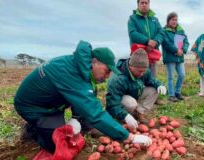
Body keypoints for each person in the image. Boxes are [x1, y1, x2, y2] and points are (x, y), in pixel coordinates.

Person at [14, 41, 152, 153]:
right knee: (58, 144)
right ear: (95, 61)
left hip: (52, 102)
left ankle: (79, 124)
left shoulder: (81, 68)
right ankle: (33, 129)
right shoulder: (71, 73)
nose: (108, 75)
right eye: (107, 70)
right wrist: (129, 137)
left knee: (87, 108)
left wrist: (75, 118)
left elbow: (84, 98)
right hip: (33, 106)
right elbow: (95, 113)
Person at [106, 48, 166, 129]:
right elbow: (112, 104)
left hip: (136, 92)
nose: (142, 74)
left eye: (144, 71)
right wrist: (125, 116)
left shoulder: (144, 70)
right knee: (131, 103)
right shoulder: (118, 79)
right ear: (131, 67)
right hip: (122, 98)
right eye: (139, 71)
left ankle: (138, 112)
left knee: (154, 90)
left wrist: (159, 85)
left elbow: (150, 80)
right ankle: (124, 117)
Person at [128, 0, 164, 77]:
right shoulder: (132, 19)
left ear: (149, 4)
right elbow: (132, 33)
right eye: (142, 3)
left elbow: (161, 32)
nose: (144, 5)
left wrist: (155, 42)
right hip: (138, 55)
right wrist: (147, 41)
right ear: (138, 4)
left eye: (146, 3)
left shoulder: (155, 19)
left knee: (153, 78)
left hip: (152, 54)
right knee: (138, 79)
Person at [161, 12, 189, 102]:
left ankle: (177, 92)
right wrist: (176, 50)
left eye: (176, 20)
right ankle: (171, 95)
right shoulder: (164, 31)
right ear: (168, 21)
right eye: (172, 19)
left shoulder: (180, 31)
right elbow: (166, 43)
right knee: (171, 77)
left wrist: (183, 50)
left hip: (179, 57)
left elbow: (186, 42)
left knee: (182, 75)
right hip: (170, 57)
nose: (174, 21)